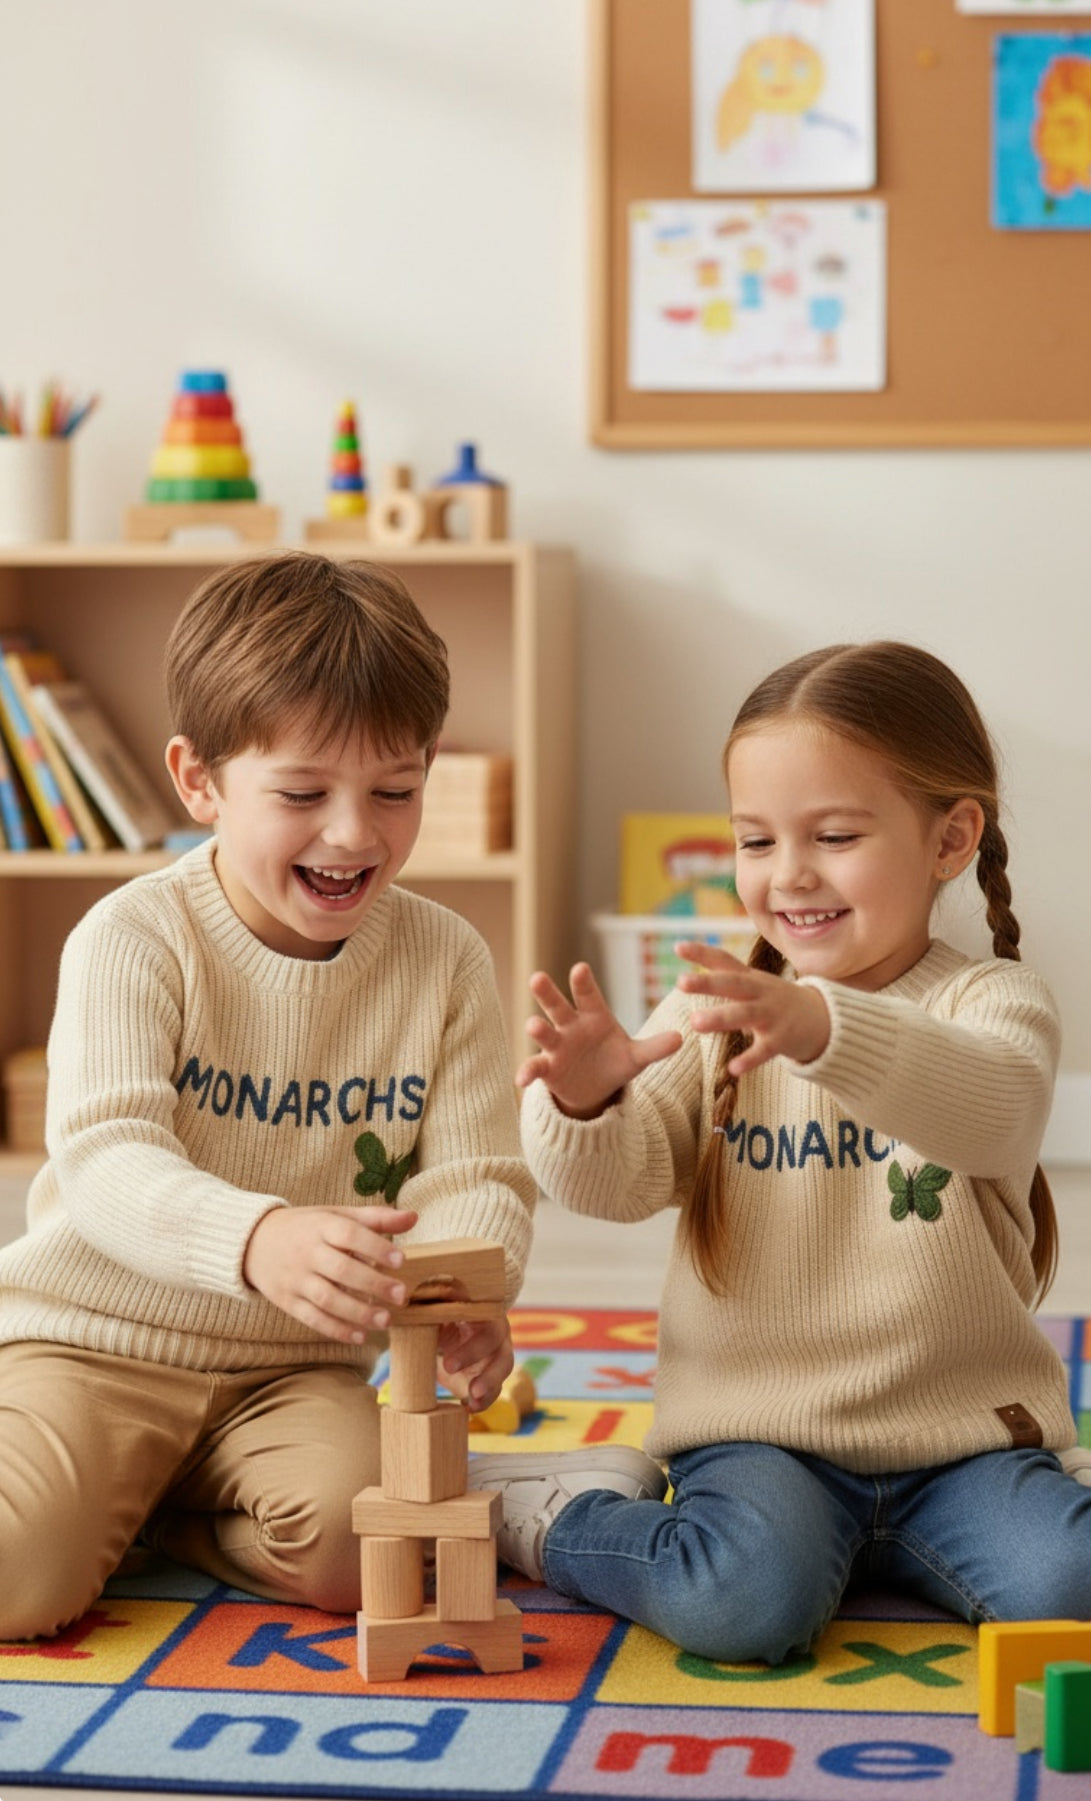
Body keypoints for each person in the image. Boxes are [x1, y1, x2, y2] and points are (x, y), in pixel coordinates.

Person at [467, 640, 1091, 1665]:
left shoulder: (992, 1000)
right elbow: (617, 1186)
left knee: (1067, 1586)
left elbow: (994, 1113)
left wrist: (819, 1027)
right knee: (744, 1607)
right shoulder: (712, 1007)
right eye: (754, 840)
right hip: (761, 1437)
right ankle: (554, 1509)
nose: (787, 874)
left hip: (963, 1444)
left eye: (834, 834)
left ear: (950, 837)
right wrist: (583, 1103)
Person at [0, 551, 535, 1642]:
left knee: (368, 1552)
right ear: (197, 781)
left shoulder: (445, 958)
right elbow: (105, 1158)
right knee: (19, 1577)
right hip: (88, 1342)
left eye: (396, 790)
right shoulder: (135, 936)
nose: (353, 833)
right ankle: (108, 1494)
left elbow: (476, 1174)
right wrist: (257, 1237)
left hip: (287, 1371)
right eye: (301, 794)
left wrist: (462, 1295)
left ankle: (160, 1517)